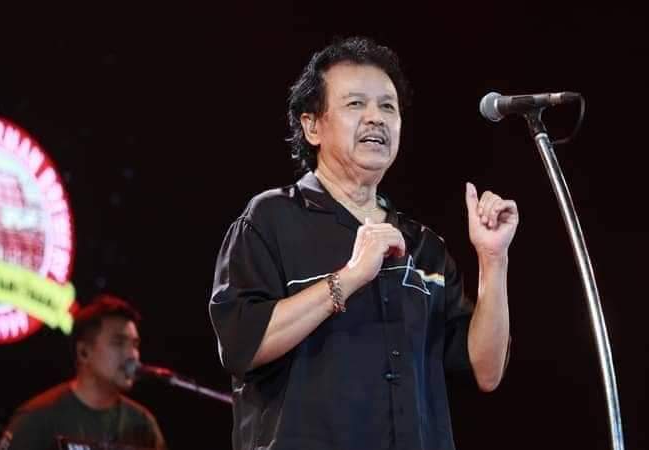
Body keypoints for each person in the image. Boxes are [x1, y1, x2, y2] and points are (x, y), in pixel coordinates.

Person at [209, 36, 516, 450]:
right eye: (356, 104)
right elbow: (241, 345)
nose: (376, 118)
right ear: (312, 126)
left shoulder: (424, 246)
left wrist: (493, 259)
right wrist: (350, 277)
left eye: (388, 107)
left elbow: (487, 371)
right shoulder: (270, 219)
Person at [0, 294, 167, 450]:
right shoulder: (37, 419)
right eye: (118, 343)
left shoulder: (143, 423)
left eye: (135, 345)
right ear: (83, 352)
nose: (132, 355)